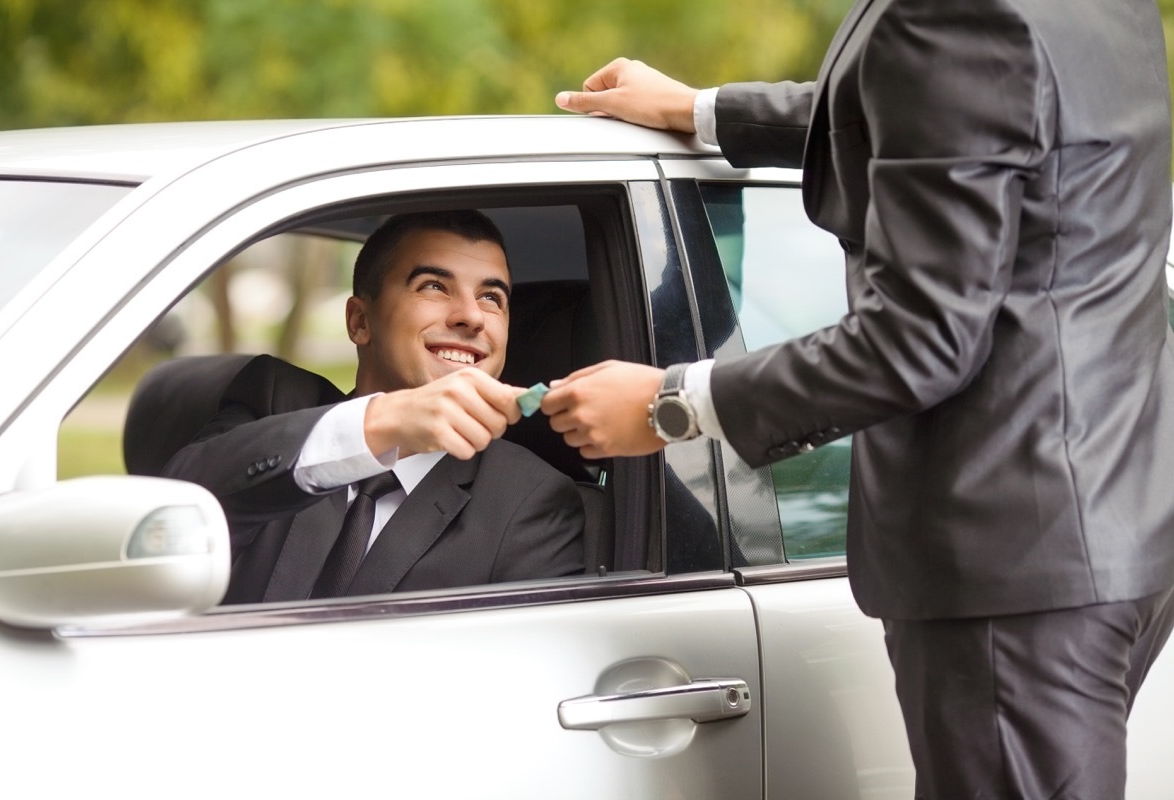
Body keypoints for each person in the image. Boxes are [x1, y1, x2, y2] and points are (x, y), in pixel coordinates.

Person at [545, 1, 1174, 797]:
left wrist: (671, 403)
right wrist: (703, 111)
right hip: (1113, 524)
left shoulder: (952, 14)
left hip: (1007, 561)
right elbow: (948, 111)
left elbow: (923, 338)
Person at [163, 210, 585, 604]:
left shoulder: (529, 500)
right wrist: (382, 425)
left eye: (492, 297)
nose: (472, 317)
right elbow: (174, 507)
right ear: (360, 322)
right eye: (434, 286)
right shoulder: (276, 403)